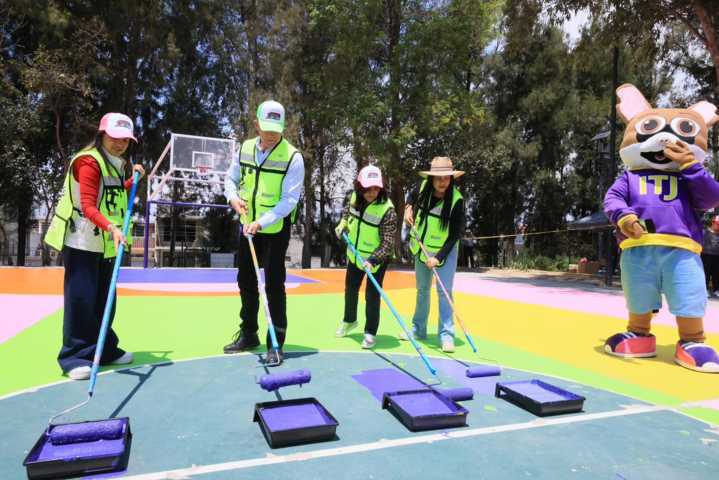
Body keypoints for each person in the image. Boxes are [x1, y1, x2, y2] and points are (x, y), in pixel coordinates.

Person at [603, 83, 719, 373]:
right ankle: (639, 333)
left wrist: (690, 165)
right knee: (639, 292)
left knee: (688, 292)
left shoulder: (690, 176)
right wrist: (625, 218)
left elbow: (711, 198)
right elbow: (612, 199)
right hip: (637, 248)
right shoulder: (629, 178)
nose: (665, 140)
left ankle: (692, 340)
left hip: (682, 250)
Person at [44, 113, 145, 380]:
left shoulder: (115, 163)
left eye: (125, 140)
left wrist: (131, 181)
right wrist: (112, 228)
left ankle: (104, 349)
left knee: (105, 299)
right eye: (115, 138)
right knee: (81, 299)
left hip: (106, 243)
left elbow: (111, 193)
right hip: (82, 241)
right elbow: (88, 205)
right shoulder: (88, 161)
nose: (120, 144)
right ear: (101, 135)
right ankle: (74, 356)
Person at [223, 100, 304, 366]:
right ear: (256, 124)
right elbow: (231, 178)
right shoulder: (245, 148)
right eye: (266, 128)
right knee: (245, 281)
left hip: (274, 230)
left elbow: (289, 200)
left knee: (273, 285)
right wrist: (233, 198)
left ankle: (276, 343)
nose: (271, 135)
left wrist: (262, 222)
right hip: (247, 227)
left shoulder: (293, 157)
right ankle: (249, 334)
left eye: (276, 130)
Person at [402, 157, 465, 352]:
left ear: (451, 178)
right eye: (438, 178)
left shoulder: (457, 201)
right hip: (421, 249)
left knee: (444, 292)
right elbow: (411, 196)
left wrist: (438, 257)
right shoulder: (423, 188)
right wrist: (408, 208)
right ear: (431, 178)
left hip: (445, 251)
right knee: (422, 290)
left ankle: (446, 335)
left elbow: (454, 236)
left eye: (446, 177)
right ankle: (418, 329)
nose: (442, 182)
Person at [334, 165, 397, 349]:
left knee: (372, 295)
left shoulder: (388, 210)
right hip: (355, 254)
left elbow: (387, 242)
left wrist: (373, 260)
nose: (372, 192)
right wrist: (343, 224)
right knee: (350, 289)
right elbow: (347, 213)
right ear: (360, 186)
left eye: (376, 188)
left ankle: (370, 332)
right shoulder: (354, 197)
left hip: (376, 259)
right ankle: (349, 320)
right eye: (368, 188)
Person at [702, 216, 719, 297]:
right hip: (706, 254)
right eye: (718, 224)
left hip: (717, 255)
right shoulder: (705, 231)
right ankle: (705, 289)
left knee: (716, 273)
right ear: (713, 222)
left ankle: (716, 289)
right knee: (706, 272)